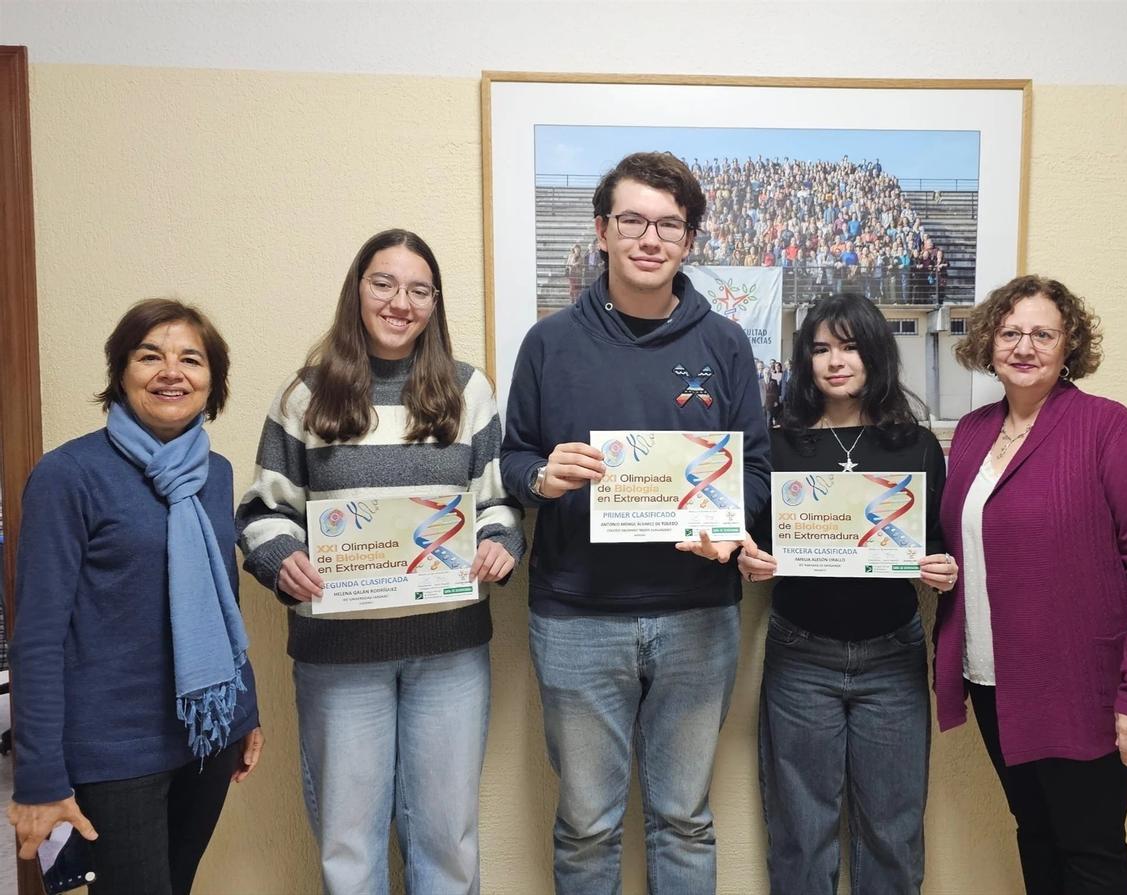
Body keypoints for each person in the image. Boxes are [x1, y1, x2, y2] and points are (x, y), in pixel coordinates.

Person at [500, 151, 771, 895]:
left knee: (684, 819)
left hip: (696, 615)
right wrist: (538, 476)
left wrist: (732, 519)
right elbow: (512, 455)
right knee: (587, 824)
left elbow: (754, 466)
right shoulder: (549, 344)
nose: (650, 239)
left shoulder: (724, 345)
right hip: (577, 615)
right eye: (633, 221)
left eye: (668, 225)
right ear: (602, 230)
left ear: (688, 241)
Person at [236, 229, 523, 895]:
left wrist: (498, 544)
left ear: (435, 303)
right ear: (357, 292)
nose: (401, 301)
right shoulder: (305, 394)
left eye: (419, 289)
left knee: (447, 837)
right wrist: (282, 559)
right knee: (348, 839)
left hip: (449, 652)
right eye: (384, 284)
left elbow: (498, 502)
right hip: (338, 653)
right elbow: (263, 510)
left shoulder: (466, 390)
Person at [933, 275, 1127, 895]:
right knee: (1034, 834)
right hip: (992, 677)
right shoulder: (970, 433)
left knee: (1089, 851)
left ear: (1069, 345)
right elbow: (976, 542)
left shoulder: (1108, 428)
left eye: (1043, 333)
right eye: (1011, 332)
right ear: (989, 342)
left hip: (1082, 686)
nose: (1025, 347)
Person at [8, 299, 263, 895]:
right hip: (113, 752)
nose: (170, 372)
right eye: (150, 356)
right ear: (120, 373)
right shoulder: (68, 475)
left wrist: (244, 711)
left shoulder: (216, 472)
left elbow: (223, 600)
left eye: (190, 359)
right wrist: (40, 775)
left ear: (211, 381)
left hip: (206, 739)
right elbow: (38, 638)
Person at [735, 293, 955, 894]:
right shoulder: (780, 446)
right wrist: (750, 561)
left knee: (893, 829)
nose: (836, 361)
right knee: (801, 832)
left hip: (892, 655)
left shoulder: (915, 445)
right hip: (801, 654)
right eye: (821, 348)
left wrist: (943, 569)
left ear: (876, 354)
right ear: (805, 361)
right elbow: (753, 542)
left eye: (851, 346)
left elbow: (935, 542)